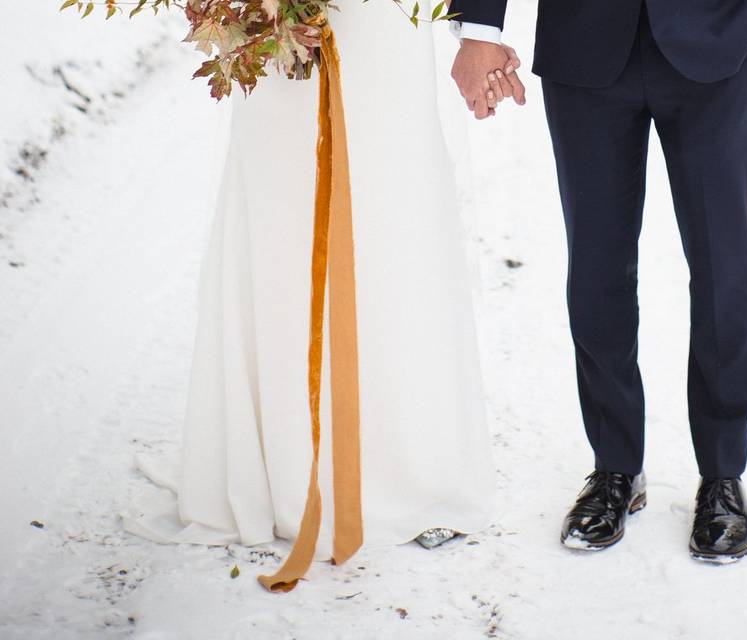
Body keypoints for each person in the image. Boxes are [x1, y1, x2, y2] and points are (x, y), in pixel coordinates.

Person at [122, 0, 497, 569]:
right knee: (281, 212)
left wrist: (479, 30)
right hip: (273, 38)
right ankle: (282, 469)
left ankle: (411, 470)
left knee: (393, 210)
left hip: (386, 29)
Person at [448, 0, 747, 562]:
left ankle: (724, 474)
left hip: (719, 39)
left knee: (722, 265)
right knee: (596, 266)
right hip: (584, 40)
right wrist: (479, 29)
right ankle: (614, 467)